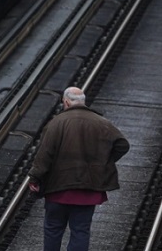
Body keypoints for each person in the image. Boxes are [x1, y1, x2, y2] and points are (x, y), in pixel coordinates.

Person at [28, 87, 130, 251]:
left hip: (57, 188)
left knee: (53, 229)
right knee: (80, 231)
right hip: (88, 190)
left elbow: (44, 155)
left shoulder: (56, 123)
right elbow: (122, 145)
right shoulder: (101, 123)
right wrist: (103, 162)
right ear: (83, 102)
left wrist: (35, 178)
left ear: (66, 102)